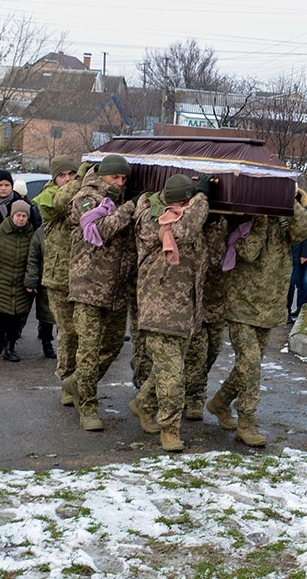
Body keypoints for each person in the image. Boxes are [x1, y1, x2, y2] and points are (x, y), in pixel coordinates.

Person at [207, 198, 307, 448]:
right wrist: (260, 219)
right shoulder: (240, 217)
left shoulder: (283, 218)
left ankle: (221, 402)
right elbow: (248, 252)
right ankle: (246, 420)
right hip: (241, 304)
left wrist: (289, 202)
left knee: (248, 365)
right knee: (251, 363)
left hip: (270, 305)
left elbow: (306, 230)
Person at [130, 173, 210, 452]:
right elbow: (185, 230)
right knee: (173, 376)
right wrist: (202, 198)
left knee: (167, 371)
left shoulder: (186, 216)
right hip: (159, 311)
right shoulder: (155, 219)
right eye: (187, 202)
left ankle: (143, 403)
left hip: (186, 312)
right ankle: (169, 429)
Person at [63, 155, 137, 432]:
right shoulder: (87, 197)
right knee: (89, 350)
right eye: (115, 177)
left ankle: (76, 382)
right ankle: (88, 408)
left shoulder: (121, 200)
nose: (119, 183)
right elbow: (99, 230)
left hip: (116, 288)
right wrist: (128, 208)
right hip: (88, 287)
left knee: (113, 346)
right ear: (102, 175)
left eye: (123, 179)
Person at [31, 156, 82, 405]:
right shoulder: (47, 198)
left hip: (82, 277)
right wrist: (82, 178)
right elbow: (61, 204)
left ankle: (78, 381)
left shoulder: (81, 197)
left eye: (73, 174)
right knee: (68, 332)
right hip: (59, 277)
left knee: (84, 334)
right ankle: (66, 380)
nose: (69, 179)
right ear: (55, 178)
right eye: (64, 175)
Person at [0, 200, 36, 363]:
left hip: (20, 285)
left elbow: (34, 260)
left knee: (16, 319)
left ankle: (10, 347)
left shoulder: (31, 235)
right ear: (12, 215)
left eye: (24, 216)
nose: (21, 219)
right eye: (18, 215)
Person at [183, 213, 229, 420]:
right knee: (196, 354)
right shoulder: (192, 221)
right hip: (194, 300)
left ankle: (188, 388)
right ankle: (194, 397)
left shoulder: (226, 224)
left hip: (218, 297)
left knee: (213, 350)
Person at [0, 170, 41, 236]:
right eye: (0, 185)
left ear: (12, 186)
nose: (3, 188)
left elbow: (35, 226)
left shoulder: (23, 204)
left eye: (7, 185)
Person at [24, 224, 57, 359]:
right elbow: (33, 258)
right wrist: (31, 281)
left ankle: (67, 347)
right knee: (46, 316)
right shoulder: (41, 233)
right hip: (46, 281)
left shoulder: (72, 227)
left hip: (68, 282)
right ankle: (46, 343)